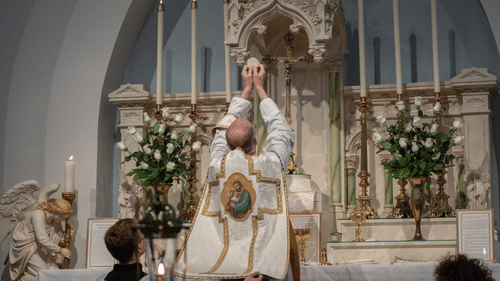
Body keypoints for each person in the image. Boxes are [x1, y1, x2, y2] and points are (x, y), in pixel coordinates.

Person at [176, 63, 300, 280]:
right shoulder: (271, 163)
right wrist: (259, 88)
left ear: (226, 144)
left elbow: (221, 133)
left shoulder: (216, 165)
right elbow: (282, 131)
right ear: (255, 141)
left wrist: (245, 91)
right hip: (264, 270)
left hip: (228, 264)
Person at [9, 199, 74, 281]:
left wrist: (71, 227)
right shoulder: (38, 214)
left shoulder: (55, 221)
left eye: (64, 218)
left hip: (42, 249)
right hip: (27, 249)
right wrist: (60, 250)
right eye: (61, 217)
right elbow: (42, 239)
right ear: (56, 211)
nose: (62, 220)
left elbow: (62, 240)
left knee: (55, 274)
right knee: (44, 273)